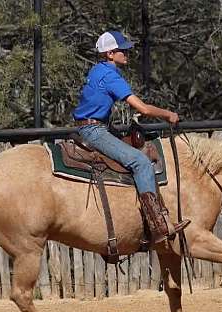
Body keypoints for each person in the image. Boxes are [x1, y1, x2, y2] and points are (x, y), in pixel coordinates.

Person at [73, 31, 190, 244]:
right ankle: (157, 224)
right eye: (123, 50)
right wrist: (168, 114)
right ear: (110, 53)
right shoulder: (110, 75)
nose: (127, 53)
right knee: (142, 162)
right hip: (95, 131)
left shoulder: (97, 70)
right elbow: (143, 109)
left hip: (92, 127)